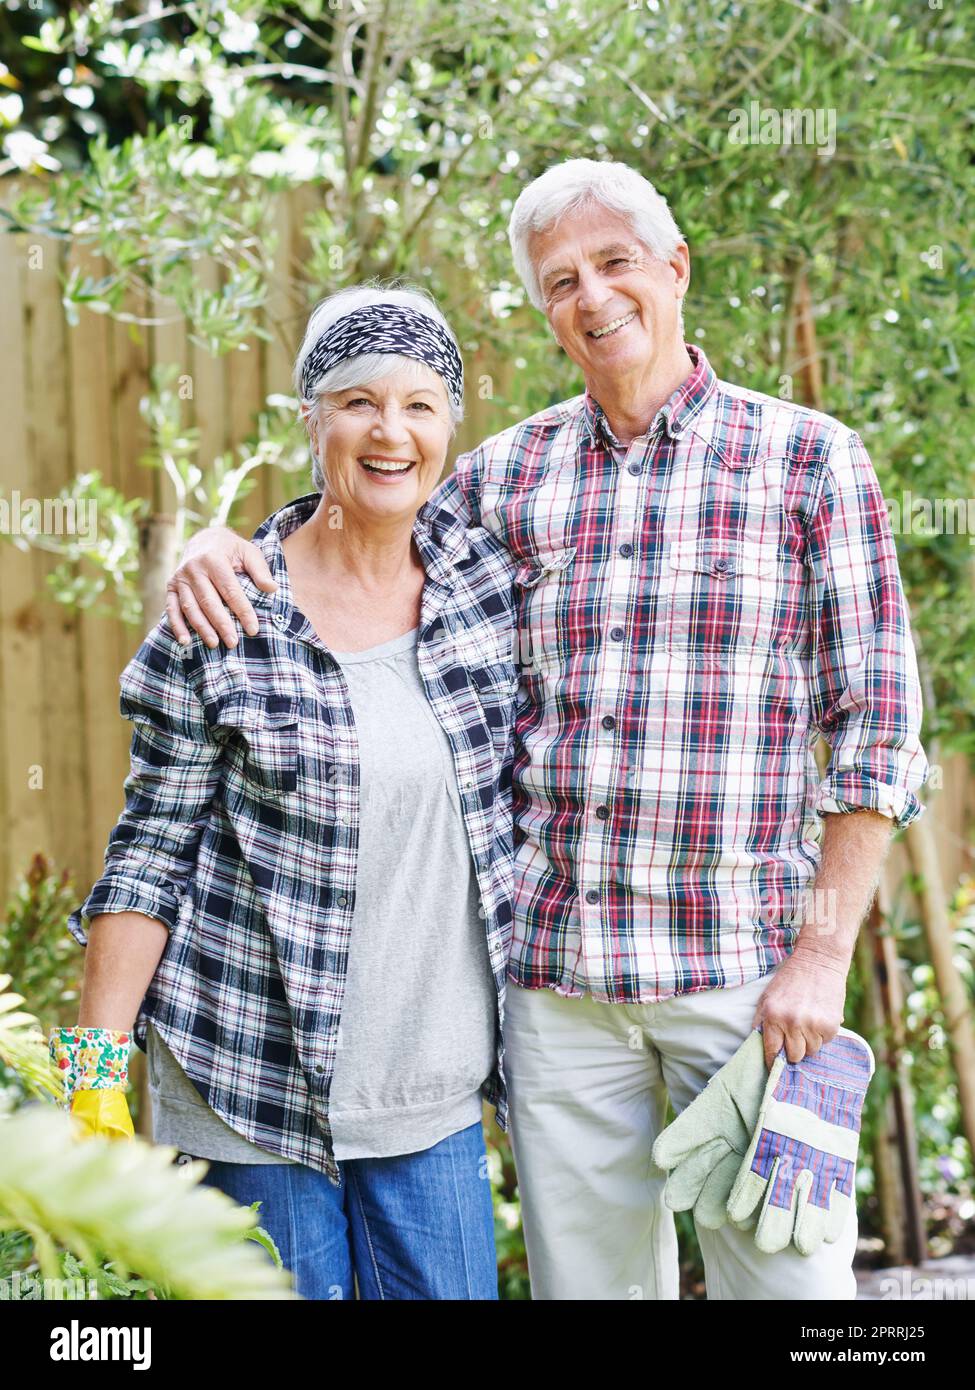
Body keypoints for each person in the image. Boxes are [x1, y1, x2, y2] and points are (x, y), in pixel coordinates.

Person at [163, 159, 929, 1300]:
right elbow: (362, 531)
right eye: (560, 279)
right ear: (544, 309)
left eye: (615, 262)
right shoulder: (503, 480)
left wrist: (820, 960)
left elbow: (879, 731)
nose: (593, 295)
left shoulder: (809, 462)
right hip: (556, 988)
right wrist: (230, 548)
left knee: (795, 1294)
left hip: (753, 983)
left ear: (675, 269)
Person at [56, 284, 519, 1300]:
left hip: (430, 1099)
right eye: (356, 401)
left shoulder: (491, 589)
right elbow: (148, 851)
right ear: (309, 419)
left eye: (419, 403)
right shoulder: (228, 612)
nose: (389, 431)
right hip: (246, 1088)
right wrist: (92, 1070)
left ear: (451, 423)